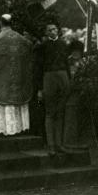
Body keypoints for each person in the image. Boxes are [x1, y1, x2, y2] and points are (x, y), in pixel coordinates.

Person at [0, 14, 32, 136]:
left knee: (1, 96)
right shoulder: (23, 39)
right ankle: (19, 128)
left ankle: (2, 129)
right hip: (19, 77)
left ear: (0, 23)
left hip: (2, 77)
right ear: (12, 23)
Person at [34, 22, 70, 155]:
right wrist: (39, 88)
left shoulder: (63, 44)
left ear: (58, 31)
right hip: (48, 79)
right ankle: (51, 145)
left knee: (60, 112)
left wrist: (68, 82)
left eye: (54, 29)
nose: (52, 31)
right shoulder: (42, 47)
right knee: (50, 112)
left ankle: (59, 144)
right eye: (49, 30)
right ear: (46, 33)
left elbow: (66, 64)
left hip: (63, 78)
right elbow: (38, 68)